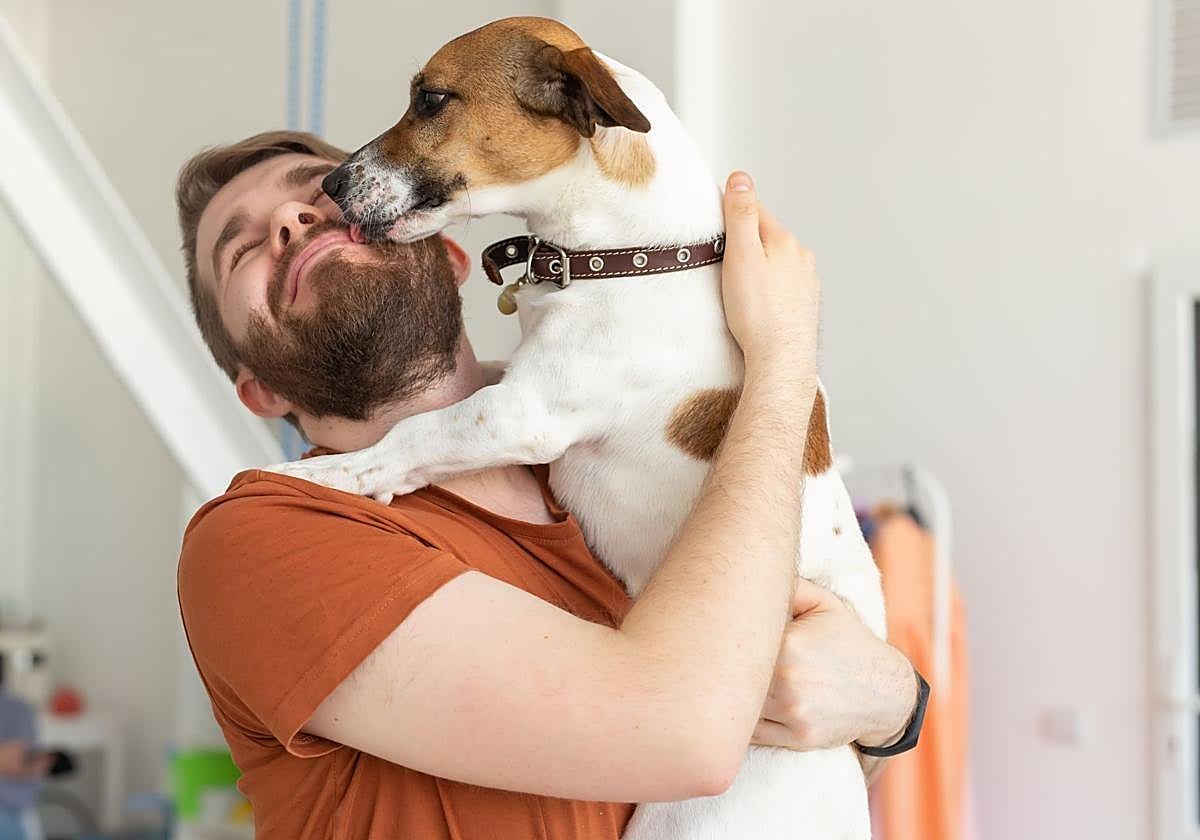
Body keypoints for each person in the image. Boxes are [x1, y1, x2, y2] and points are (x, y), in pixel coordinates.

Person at [175, 130, 920, 840]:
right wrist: (783, 353)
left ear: (449, 250)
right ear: (259, 394)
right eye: (242, 247)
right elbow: (686, 732)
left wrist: (892, 709)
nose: (292, 219)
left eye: (326, 192)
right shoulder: (265, 537)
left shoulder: (624, 468)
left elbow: (787, 781)